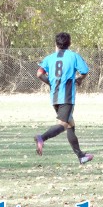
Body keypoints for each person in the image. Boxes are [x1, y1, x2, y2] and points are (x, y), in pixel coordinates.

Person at [34, 32, 94, 165]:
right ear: (70, 43)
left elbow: (39, 73)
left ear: (56, 44)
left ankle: (81, 156)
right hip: (66, 97)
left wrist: (50, 82)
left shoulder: (50, 58)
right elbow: (84, 71)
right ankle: (41, 138)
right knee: (63, 125)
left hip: (54, 97)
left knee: (70, 125)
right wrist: (79, 79)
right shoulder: (73, 56)